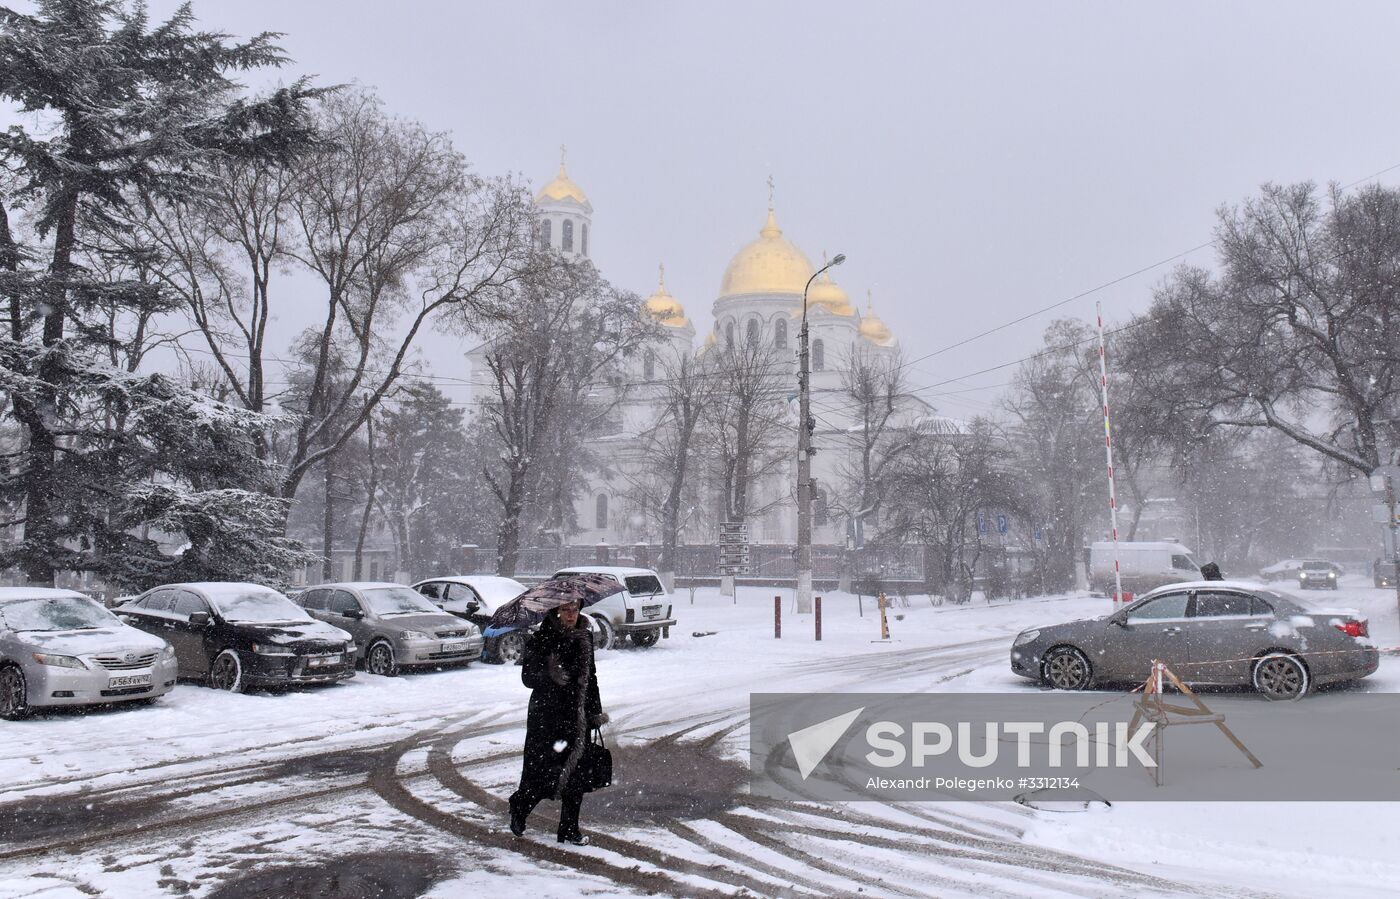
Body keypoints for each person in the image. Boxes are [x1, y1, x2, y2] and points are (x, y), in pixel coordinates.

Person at [508, 601, 607, 845]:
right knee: (543, 773)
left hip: (576, 716)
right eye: (566, 610)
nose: (572, 615)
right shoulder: (542, 638)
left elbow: (590, 677)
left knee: (577, 775)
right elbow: (528, 678)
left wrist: (594, 711)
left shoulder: (584, 637)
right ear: (555, 612)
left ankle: (569, 829)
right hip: (547, 718)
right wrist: (549, 672)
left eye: (575, 609)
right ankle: (520, 805)